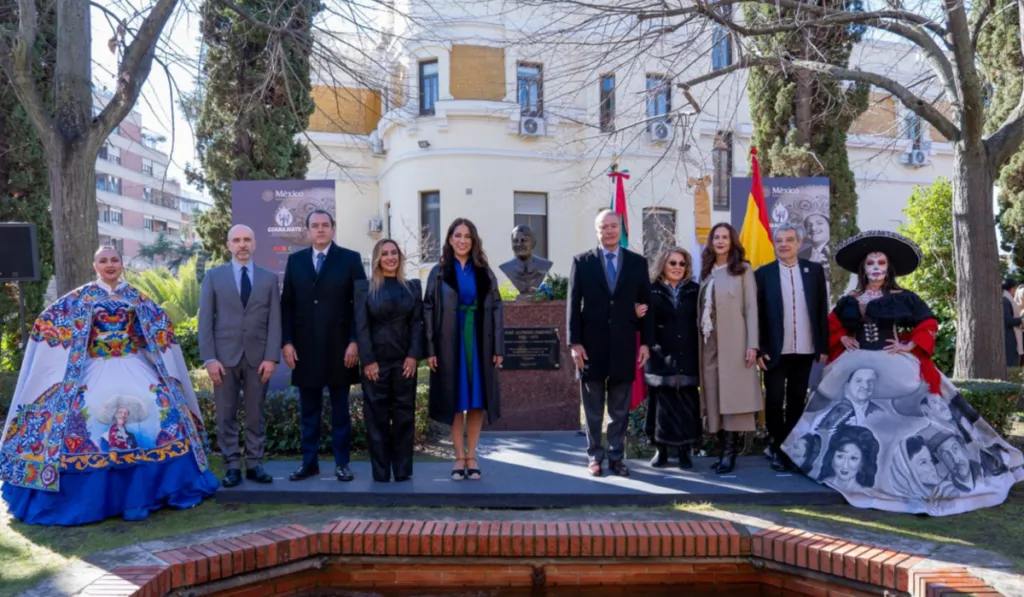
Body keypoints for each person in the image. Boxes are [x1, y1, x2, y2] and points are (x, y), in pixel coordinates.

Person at [781, 230, 1024, 516]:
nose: (875, 268)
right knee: (845, 410)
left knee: (909, 418)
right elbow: (832, 325)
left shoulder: (903, 297)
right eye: (870, 263)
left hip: (894, 363)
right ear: (862, 268)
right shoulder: (850, 297)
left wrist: (909, 344)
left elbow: (929, 321)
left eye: (880, 263)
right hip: (855, 363)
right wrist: (844, 337)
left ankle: (908, 474)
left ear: (889, 268)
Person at [0, 246, 219, 526]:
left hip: (133, 364)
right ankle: (98, 497)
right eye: (103, 261)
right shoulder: (81, 298)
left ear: (122, 264)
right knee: (83, 415)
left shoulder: (136, 298)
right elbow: (49, 322)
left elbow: (158, 327)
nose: (109, 265)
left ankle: (156, 489)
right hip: (96, 367)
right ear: (95, 267)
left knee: (159, 411)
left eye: (114, 260)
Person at [281, 210, 366, 483]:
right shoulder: (295, 262)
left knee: (341, 411)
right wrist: (287, 342)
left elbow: (360, 306)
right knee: (309, 412)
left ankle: (342, 464)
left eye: (325, 225)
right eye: (315, 226)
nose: (320, 230)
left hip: (341, 349)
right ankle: (310, 463)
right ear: (307, 231)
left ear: (333, 229)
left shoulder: (350, 260)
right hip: (305, 349)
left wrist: (355, 341)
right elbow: (287, 306)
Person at [567, 209, 653, 477]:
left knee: (619, 408)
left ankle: (616, 457)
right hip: (590, 347)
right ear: (597, 231)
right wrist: (574, 343)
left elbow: (646, 305)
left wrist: (645, 343)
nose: (610, 231)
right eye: (604, 227)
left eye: (614, 226)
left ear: (621, 229)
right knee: (593, 409)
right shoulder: (582, 262)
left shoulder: (638, 263)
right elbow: (573, 305)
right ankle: (594, 457)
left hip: (624, 344)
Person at [199, 224, 281, 487]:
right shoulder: (213, 277)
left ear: (254, 244)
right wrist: (209, 359)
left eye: (247, 239)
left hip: (258, 358)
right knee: (225, 414)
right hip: (223, 359)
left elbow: (275, 321)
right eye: (237, 240)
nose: (242, 244)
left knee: (256, 413)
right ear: (228, 245)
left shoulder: (269, 279)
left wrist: (271, 357)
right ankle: (232, 465)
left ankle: (255, 464)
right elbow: (205, 322)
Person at [424, 218, 504, 481]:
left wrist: (498, 347)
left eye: (467, 236)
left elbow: (496, 309)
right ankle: (459, 457)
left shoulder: (484, 271)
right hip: (450, 341)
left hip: (479, 341)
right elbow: (428, 311)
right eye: (457, 235)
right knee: (456, 400)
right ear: (449, 239)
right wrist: (431, 348)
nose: (462, 240)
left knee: (477, 401)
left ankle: (473, 455)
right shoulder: (438, 272)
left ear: (473, 240)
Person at [755, 223, 829, 472]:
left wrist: (822, 345)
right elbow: (758, 316)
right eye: (780, 240)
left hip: (805, 349)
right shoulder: (763, 274)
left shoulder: (814, 271)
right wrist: (759, 348)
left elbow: (821, 309)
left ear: (799, 243)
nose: (784, 244)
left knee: (797, 400)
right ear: (774, 244)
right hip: (775, 350)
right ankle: (776, 445)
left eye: (789, 240)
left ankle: (792, 449)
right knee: (774, 400)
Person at [354, 239, 424, 482]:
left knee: (404, 417)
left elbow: (417, 324)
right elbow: (361, 327)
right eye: (385, 254)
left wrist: (414, 355)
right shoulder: (365, 288)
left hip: (405, 363)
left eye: (394, 253)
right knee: (376, 419)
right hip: (376, 365)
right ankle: (381, 473)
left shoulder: (412, 287)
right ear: (377, 259)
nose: (390, 257)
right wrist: (369, 360)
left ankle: (403, 471)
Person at [697, 222, 761, 475]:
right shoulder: (706, 272)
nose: (720, 241)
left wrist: (752, 345)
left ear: (732, 242)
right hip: (709, 343)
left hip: (736, 343)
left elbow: (751, 309)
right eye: (716, 237)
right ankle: (720, 448)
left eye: (725, 237)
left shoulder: (743, 270)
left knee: (734, 397)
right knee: (714, 394)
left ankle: (729, 453)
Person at [644, 247, 701, 470]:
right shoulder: (650, 290)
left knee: (687, 404)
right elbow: (643, 322)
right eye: (673, 263)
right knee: (661, 407)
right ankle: (662, 451)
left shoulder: (695, 290)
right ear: (663, 265)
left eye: (682, 263)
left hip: (688, 354)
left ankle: (685, 451)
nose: (677, 267)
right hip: (660, 355)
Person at [1002, 278, 1022, 369]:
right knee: (1012, 365)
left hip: (1011, 336)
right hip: (1010, 338)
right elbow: (1008, 320)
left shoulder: (1007, 300)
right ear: (1012, 289)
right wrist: (1021, 321)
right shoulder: (1005, 301)